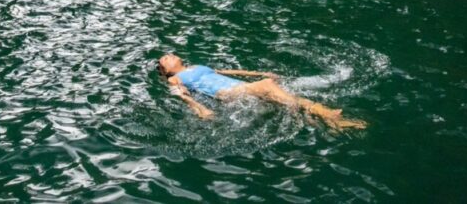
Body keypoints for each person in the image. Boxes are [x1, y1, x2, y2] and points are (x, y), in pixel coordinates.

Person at [156, 53, 366, 130]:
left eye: (169, 55)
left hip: (241, 87)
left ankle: (330, 117)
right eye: (164, 60)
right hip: (228, 94)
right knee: (268, 87)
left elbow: (230, 71)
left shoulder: (196, 67)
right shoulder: (175, 78)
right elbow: (181, 94)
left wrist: (258, 72)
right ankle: (310, 114)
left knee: (281, 92)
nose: (168, 56)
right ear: (165, 72)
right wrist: (199, 108)